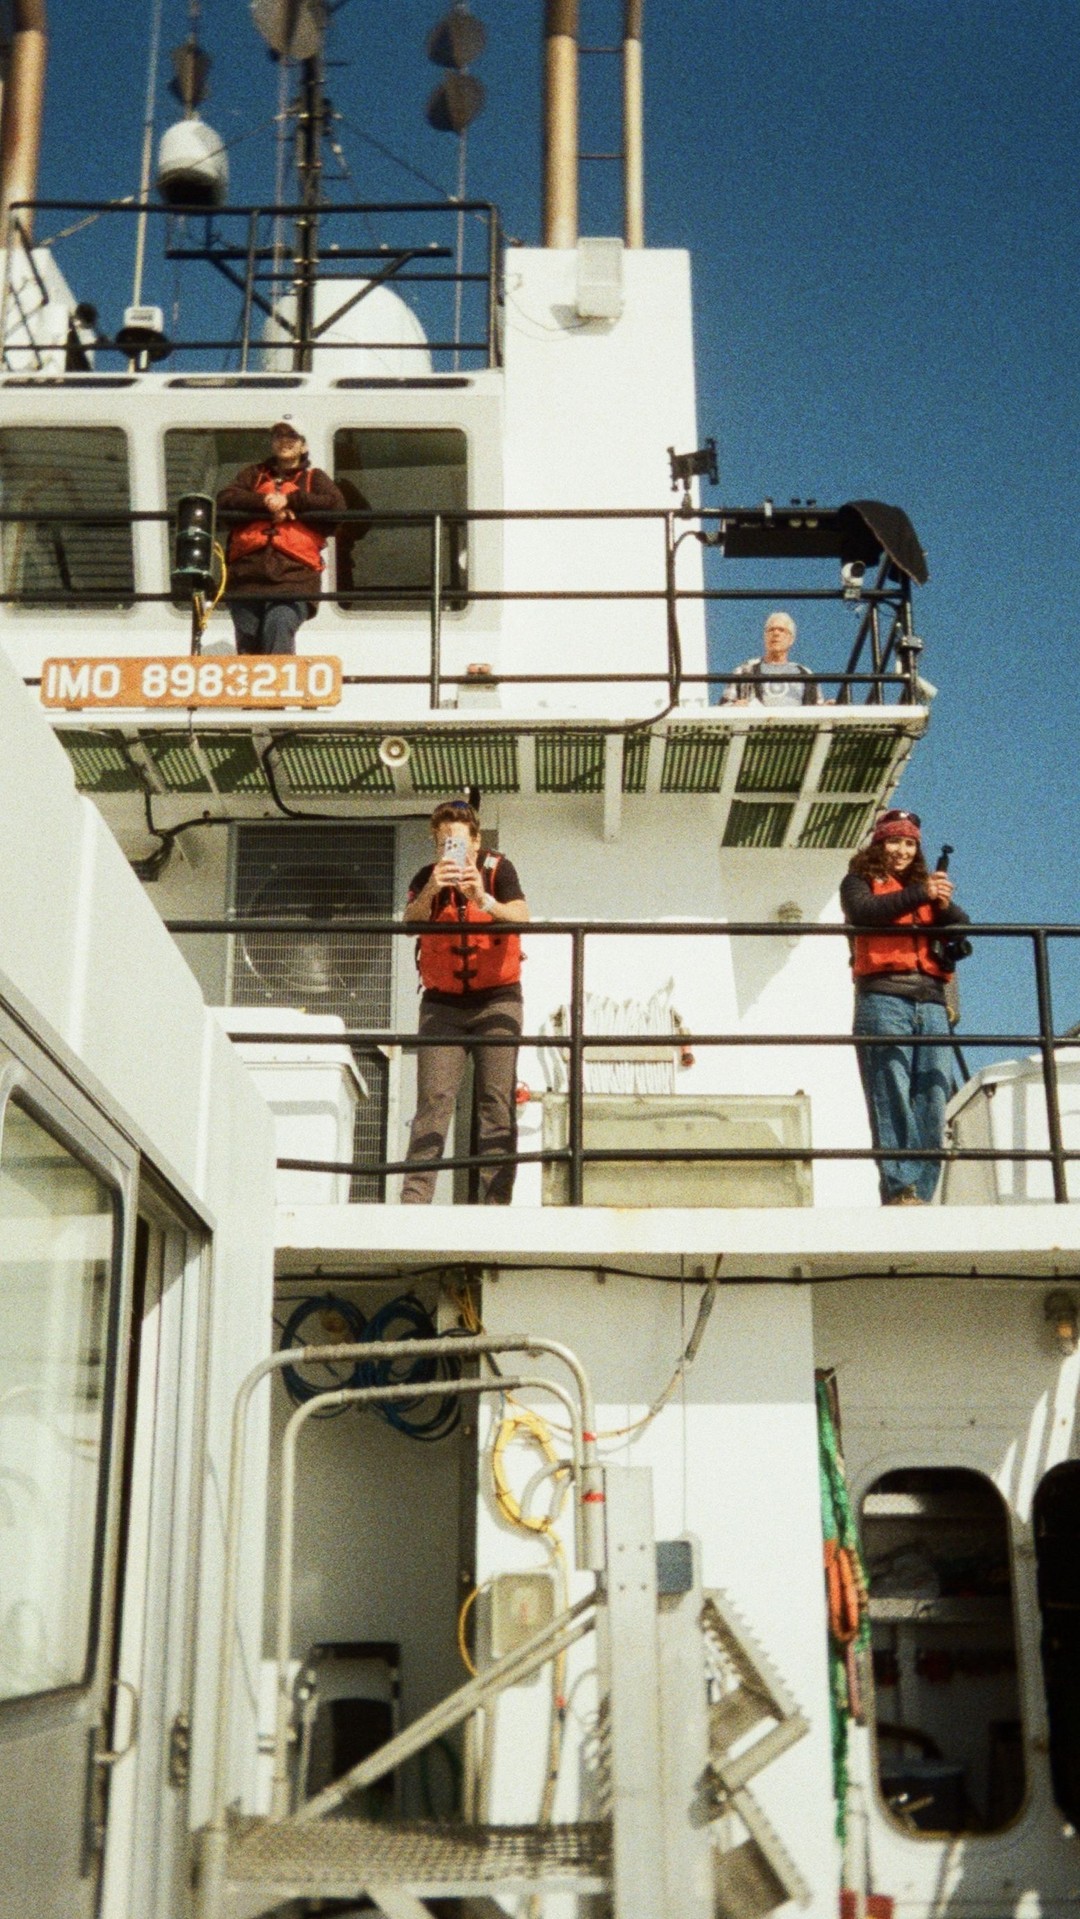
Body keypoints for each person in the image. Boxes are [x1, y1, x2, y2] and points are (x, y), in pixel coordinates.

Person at [401, 801, 530, 1204]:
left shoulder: (498, 871)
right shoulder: (426, 879)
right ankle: (414, 1200)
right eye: (443, 844)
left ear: (476, 841)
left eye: (459, 843)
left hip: (497, 1000)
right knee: (434, 1101)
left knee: (495, 1100)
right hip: (443, 1006)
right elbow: (410, 923)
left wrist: (483, 899)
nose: (452, 852)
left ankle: (495, 1204)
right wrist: (433, 889)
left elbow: (522, 916)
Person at [841, 809, 971, 1206]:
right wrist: (924, 893)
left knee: (932, 1097)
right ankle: (901, 1189)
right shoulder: (858, 882)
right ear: (879, 843)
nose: (901, 849)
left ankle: (922, 1192)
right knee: (891, 1091)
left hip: (930, 1000)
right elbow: (864, 912)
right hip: (882, 995)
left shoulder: (926, 890)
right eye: (894, 840)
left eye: (909, 842)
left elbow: (961, 928)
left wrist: (945, 906)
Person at [216, 421, 345, 655]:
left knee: (279, 622)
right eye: (278, 437)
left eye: (292, 437)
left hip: (294, 579)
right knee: (248, 643)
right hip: (247, 578)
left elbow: (336, 505)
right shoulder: (252, 475)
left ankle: (280, 689)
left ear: (303, 446)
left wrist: (291, 501)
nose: (284, 442)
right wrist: (264, 502)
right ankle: (254, 691)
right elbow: (225, 498)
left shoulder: (314, 478)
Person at [723, 610, 821, 706]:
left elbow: (819, 710)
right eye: (771, 630)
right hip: (757, 722)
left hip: (796, 722)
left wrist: (828, 706)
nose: (776, 634)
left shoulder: (805, 674)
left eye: (782, 630)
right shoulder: (745, 671)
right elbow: (723, 707)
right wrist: (735, 706)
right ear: (765, 637)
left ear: (791, 639)